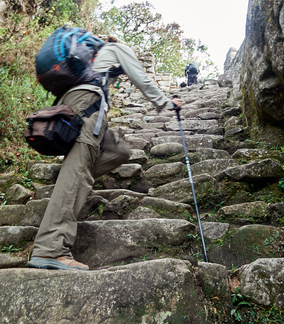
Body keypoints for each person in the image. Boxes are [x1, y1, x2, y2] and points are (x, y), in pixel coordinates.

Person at [28, 37, 182, 271]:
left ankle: (73, 176)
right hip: (87, 105)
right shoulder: (117, 48)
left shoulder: (92, 57)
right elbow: (139, 77)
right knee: (79, 170)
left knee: (118, 151)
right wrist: (167, 103)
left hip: (75, 103)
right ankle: (51, 249)